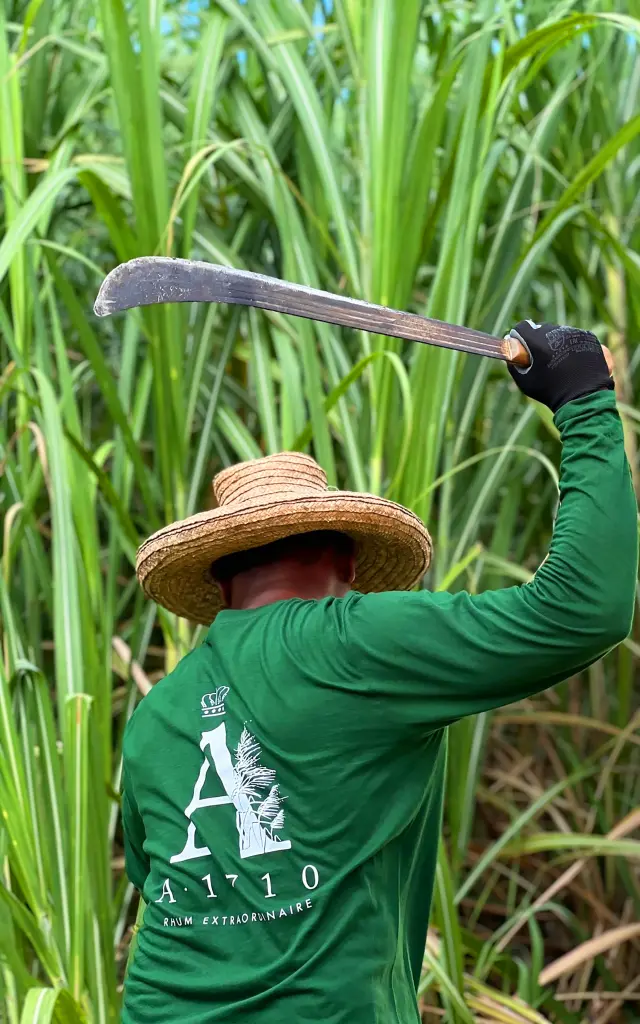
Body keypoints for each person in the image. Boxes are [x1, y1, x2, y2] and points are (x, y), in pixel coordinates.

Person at [120, 320, 637, 1023]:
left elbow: (164, 881)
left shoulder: (157, 713)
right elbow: (584, 608)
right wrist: (584, 400)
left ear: (219, 581)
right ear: (350, 561)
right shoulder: (356, 641)